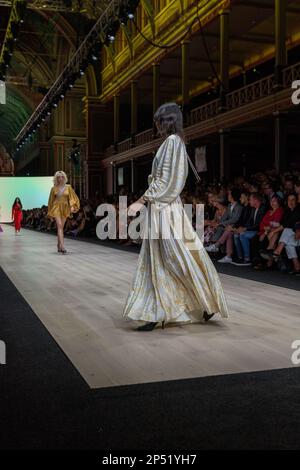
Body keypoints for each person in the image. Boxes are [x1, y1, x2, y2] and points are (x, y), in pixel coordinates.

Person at [123, 103, 229, 331]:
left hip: (166, 209)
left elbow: (167, 181)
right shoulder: (172, 142)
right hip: (163, 207)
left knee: (175, 257)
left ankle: (202, 301)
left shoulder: (172, 143)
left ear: (166, 120)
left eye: (158, 120)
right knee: (163, 259)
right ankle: (155, 310)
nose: (155, 124)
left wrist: (141, 201)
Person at [47, 171, 80, 254]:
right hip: (56, 207)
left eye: (62, 177)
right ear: (56, 178)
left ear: (64, 178)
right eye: (58, 177)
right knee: (60, 226)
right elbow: (51, 201)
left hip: (65, 208)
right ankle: (62, 246)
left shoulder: (68, 187)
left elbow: (72, 197)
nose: (60, 178)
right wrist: (50, 212)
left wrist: (72, 206)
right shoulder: (53, 188)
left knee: (61, 227)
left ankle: (58, 244)